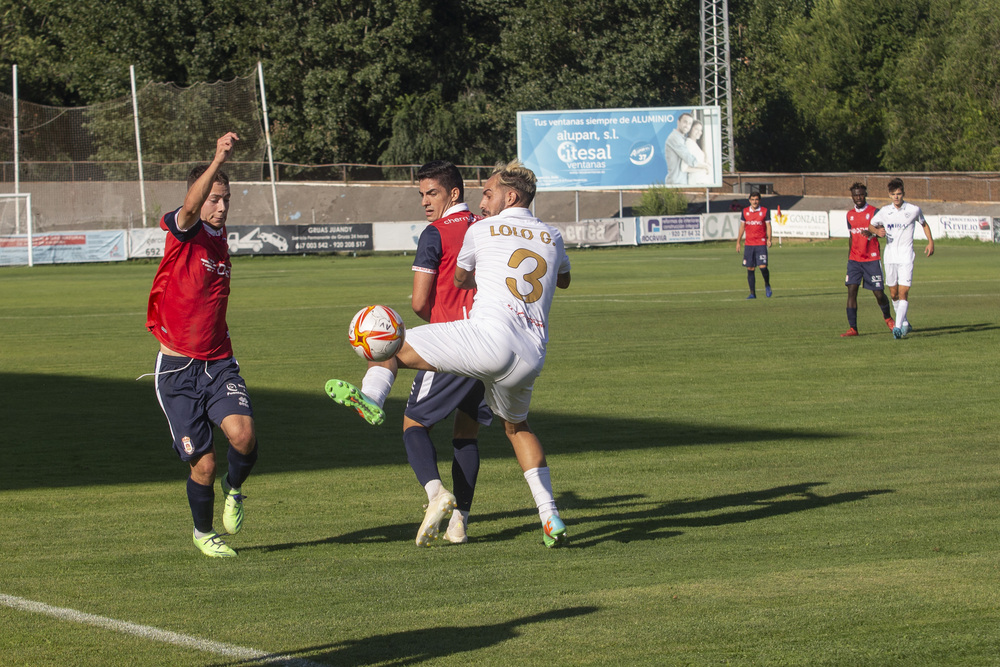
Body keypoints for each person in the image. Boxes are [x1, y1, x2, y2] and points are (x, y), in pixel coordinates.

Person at [327, 160, 572, 548]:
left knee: (390, 339)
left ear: (510, 196)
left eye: (489, 193)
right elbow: (564, 279)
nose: (483, 200)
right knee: (516, 429)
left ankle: (372, 396)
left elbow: (459, 279)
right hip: (530, 356)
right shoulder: (552, 235)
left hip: (484, 339)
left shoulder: (481, 228)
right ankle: (550, 516)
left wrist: (477, 272)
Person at [144, 132, 258, 558]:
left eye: (225, 198)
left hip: (219, 363)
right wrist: (216, 159)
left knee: (243, 438)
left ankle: (236, 489)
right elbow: (189, 207)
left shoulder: (220, 239)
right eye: (214, 198)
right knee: (204, 465)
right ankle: (202, 532)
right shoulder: (185, 230)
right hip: (177, 372)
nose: (221, 206)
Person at [403, 160, 493, 546]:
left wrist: (441, 317)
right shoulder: (488, 225)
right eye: (421, 194)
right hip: (491, 343)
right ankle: (460, 523)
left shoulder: (434, 233)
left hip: (452, 344)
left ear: (453, 193)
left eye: (432, 193)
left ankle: (436, 494)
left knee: (414, 424)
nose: (424, 201)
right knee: (465, 433)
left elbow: (420, 302)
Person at [869, 177, 935, 338]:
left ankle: (898, 328)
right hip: (890, 257)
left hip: (906, 256)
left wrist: (930, 242)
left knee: (903, 292)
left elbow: (924, 224)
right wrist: (877, 232)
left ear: (903, 193)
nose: (896, 197)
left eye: (899, 194)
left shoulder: (913, 210)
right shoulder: (884, 211)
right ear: (889, 195)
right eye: (893, 194)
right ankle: (904, 322)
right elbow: (871, 225)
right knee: (893, 294)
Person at [841, 183, 895, 337]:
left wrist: (873, 233)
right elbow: (851, 236)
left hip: (871, 259)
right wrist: (849, 258)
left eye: (861, 194)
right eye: (855, 195)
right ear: (852, 196)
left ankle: (888, 318)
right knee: (851, 291)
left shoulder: (875, 212)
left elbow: (883, 232)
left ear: (865, 194)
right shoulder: (849, 215)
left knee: (878, 293)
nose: (858, 197)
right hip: (854, 260)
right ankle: (853, 328)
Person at [735, 190, 772, 299]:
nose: (755, 202)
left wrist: (769, 239)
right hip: (749, 244)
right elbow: (742, 227)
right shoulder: (745, 211)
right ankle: (752, 293)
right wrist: (738, 242)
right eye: (752, 200)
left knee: (763, 267)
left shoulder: (765, 211)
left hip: (760, 243)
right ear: (749, 200)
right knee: (750, 268)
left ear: (759, 200)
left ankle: (767, 284)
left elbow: (768, 226)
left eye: (756, 200)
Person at [664, 113, 707, 185]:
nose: (687, 125)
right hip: (676, 183)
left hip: (681, 182)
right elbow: (689, 158)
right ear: (678, 122)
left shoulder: (682, 139)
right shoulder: (675, 138)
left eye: (690, 124)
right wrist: (705, 167)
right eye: (685, 122)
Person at [681, 120, 711, 186]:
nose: (699, 132)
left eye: (700, 130)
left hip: (702, 182)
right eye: (696, 129)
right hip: (696, 183)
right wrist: (703, 167)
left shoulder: (695, 144)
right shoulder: (688, 144)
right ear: (690, 129)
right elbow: (684, 168)